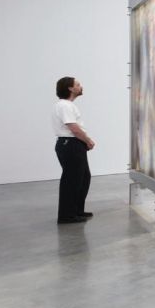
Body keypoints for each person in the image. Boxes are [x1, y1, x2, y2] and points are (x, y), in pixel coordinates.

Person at [53, 77, 95, 224]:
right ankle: (67, 215)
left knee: (83, 178)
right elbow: (74, 128)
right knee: (72, 180)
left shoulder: (67, 105)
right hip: (70, 144)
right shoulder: (64, 105)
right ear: (70, 88)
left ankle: (76, 210)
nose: (80, 86)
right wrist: (88, 140)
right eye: (77, 84)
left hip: (72, 144)